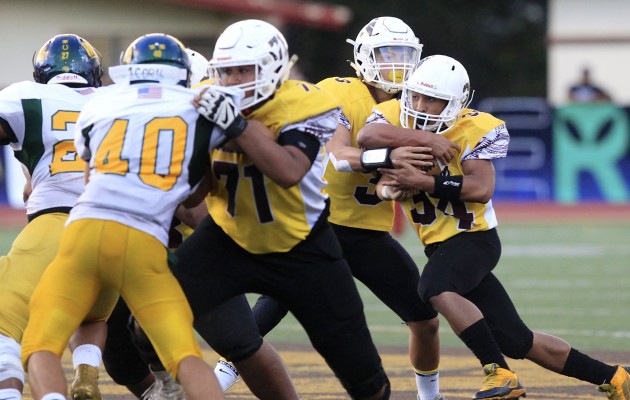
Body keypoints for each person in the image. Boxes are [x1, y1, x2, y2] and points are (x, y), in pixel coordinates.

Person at [137, 19, 391, 400]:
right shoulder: (205, 99)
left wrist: (235, 126)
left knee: (364, 377)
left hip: (302, 245)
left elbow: (288, 170)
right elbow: (193, 198)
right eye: (227, 71)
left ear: (274, 67)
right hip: (228, 237)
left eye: (246, 70)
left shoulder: (307, 102)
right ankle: (169, 386)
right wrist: (190, 153)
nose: (236, 80)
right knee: (150, 315)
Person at [358, 54, 630, 400]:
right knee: (518, 339)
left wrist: (424, 182)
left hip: (474, 240)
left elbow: (481, 188)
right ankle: (616, 377)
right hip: (440, 246)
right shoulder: (393, 117)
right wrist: (398, 175)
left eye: (434, 99)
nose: (422, 106)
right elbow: (367, 136)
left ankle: (497, 371)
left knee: (433, 288)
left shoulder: (475, 127)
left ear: (456, 104)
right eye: (417, 96)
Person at [214, 16, 459, 400]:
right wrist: (393, 154)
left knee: (424, 318)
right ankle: (215, 381)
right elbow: (341, 157)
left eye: (403, 54)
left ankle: (430, 397)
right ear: (363, 56)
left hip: (367, 231)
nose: (396, 63)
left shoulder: (414, 104)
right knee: (272, 308)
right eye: (387, 53)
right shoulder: (338, 91)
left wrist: (404, 180)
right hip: (320, 225)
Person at [19, 32, 235, 400]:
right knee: (184, 356)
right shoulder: (198, 108)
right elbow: (200, 194)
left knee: (40, 345)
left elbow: (88, 179)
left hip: (84, 230)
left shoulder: (101, 104)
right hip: (143, 241)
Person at [0, 33, 112, 400]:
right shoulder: (118, 100)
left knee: (5, 327)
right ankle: (87, 373)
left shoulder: (23, 96)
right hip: (120, 232)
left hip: (57, 222)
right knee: (91, 314)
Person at [100, 48, 211, 400]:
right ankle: (159, 393)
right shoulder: (123, 123)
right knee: (117, 350)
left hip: (193, 254)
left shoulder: (204, 128)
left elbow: (199, 213)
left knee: (233, 340)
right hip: (135, 247)